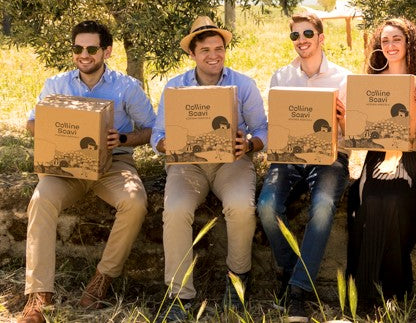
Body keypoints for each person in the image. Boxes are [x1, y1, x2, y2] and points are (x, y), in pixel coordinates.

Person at [19, 20, 155, 323]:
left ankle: (102, 279)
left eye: (91, 48)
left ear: (106, 51)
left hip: (114, 164)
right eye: (78, 48)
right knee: (41, 200)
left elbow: (151, 129)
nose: (84, 54)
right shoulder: (56, 84)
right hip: (65, 168)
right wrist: (51, 127)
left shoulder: (127, 87)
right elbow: (30, 123)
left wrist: (121, 138)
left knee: (134, 203)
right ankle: (39, 296)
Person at [151, 16, 267, 321]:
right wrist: (167, 145)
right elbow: (156, 135)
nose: (214, 55)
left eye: (219, 48)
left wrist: (250, 144)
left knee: (241, 206)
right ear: (192, 54)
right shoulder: (175, 87)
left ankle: (238, 279)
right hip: (187, 166)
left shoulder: (243, 84)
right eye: (205, 50)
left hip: (232, 163)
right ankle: (179, 295)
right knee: (175, 210)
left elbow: (263, 129)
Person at [256, 12, 351, 323]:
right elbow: (276, 126)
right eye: (295, 36)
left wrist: (342, 119)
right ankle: (289, 269)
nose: (301, 41)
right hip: (289, 157)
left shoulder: (344, 78)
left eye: (307, 34)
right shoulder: (280, 78)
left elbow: (355, 135)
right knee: (267, 206)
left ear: (321, 38)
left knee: (323, 206)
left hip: (330, 158)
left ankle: (297, 290)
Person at [346, 17, 416, 309]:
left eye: (397, 39)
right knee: (371, 198)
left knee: (395, 198)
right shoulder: (370, 81)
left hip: (413, 155)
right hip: (378, 154)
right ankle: (368, 296)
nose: (391, 46)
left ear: (409, 43)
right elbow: (360, 131)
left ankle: (393, 291)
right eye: (385, 41)